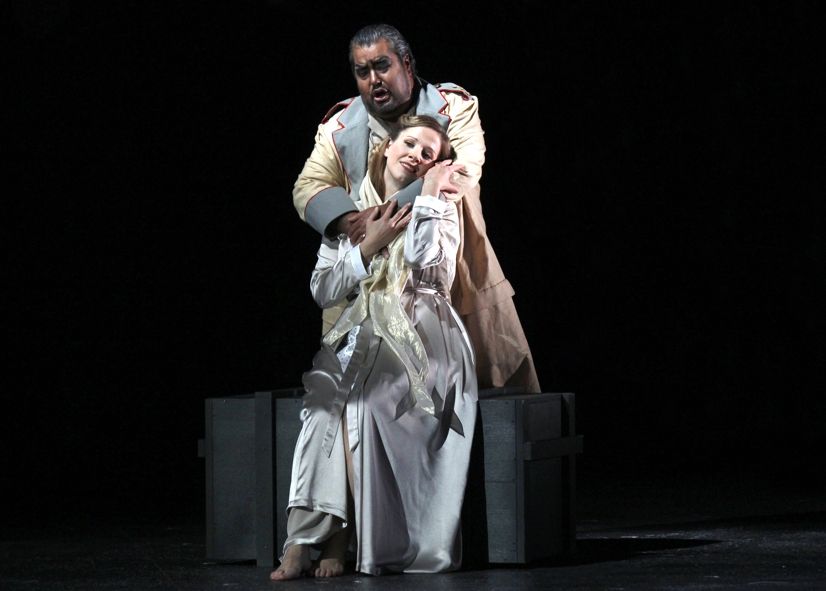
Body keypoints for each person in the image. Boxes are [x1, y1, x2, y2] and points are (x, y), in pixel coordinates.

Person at [271, 115, 477, 580]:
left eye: (429, 153)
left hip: (423, 334)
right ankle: (306, 539)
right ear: (386, 147)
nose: (417, 155)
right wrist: (367, 247)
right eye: (409, 143)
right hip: (364, 331)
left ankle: (342, 539)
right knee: (321, 406)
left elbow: (427, 265)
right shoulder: (348, 212)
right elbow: (323, 289)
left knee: (360, 404)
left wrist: (426, 199)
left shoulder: (441, 204)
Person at [293, 23, 541, 394]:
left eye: (382, 66)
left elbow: (463, 171)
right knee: (365, 412)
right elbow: (308, 186)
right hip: (365, 293)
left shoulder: (452, 106)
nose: (373, 79)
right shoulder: (338, 127)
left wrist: (386, 219)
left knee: (494, 405)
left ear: (406, 64)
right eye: (363, 72)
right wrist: (354, 223)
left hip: (452, 282)